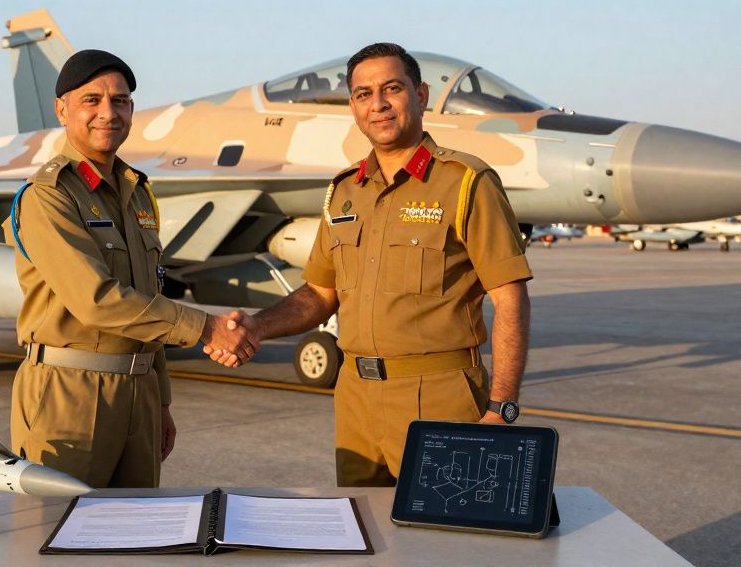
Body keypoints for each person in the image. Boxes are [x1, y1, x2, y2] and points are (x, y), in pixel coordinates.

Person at [207, 42, 532, 486]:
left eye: (391, 89)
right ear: (353, 106)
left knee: (444, 543)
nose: (377, 104)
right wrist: (257, 327)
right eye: (363, 94)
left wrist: (502, 407)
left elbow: (510, 298)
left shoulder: (466, 182)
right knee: (364, 540)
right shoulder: (344, 191)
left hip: (439, 396)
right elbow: (320, 293)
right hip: (356, 400)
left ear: (419, 96)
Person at [6, 49, 255, 488]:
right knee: (58, 535)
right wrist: (207, 328)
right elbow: (97, 301)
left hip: (138, 395)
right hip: (69, 396)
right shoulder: (48, 196)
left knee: (138, 534)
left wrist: (160, 401)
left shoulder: (137, 192)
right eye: (92, 100)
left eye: (120, 101)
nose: (108, 113)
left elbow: (148, 300)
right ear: (62, 110)